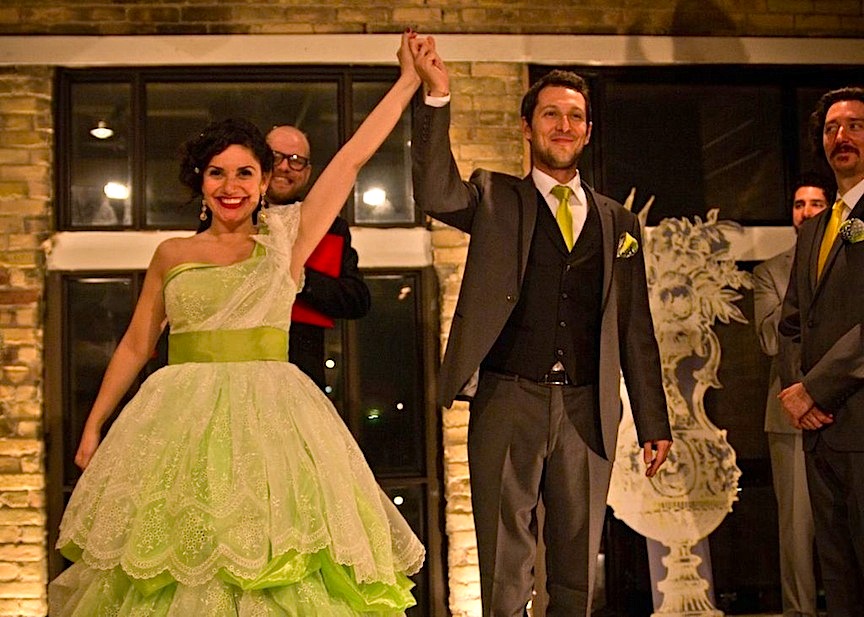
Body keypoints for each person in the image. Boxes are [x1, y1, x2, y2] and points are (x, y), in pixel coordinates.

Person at [49, 32, 425, 615]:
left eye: (245, 174)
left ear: (262, 181)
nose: (232, 187)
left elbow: (352, 157)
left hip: (271, 416)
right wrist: (95, 424)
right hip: (176, 419)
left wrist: (406, 82)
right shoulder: (172, 254)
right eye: (218, 174)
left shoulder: (286, 242)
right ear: (200, 182)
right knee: (176, 563)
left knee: (274, 560)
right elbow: (135, 345)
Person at [409, 37, 672, 616]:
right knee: (504, 569)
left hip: (586, 408)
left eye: (575, 116)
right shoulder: (495, 197)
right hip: (507, 398)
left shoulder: (618, 222)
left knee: (577, 570)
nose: (563, 124)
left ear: (588, 130)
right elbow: (432, 190)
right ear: (527, 127)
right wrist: (437, 95)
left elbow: (635, 329)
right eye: (550, 114)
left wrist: (655, 421)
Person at [779, 86, 864, 617]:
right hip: (821, 433)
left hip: (860, 420)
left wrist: (814, 388)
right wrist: (797, 394)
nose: (843, 136)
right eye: (832, 128)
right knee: (839, 578)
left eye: (855, 125)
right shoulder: (816, 230)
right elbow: (793, 322)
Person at [753, 172, 831, 617]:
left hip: (843, 408)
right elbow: (769, 341)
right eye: (800, 205)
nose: (806, 212)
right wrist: (803, 273)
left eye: (816, 204)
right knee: (797, 532)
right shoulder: (770, 272)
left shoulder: (851, 262)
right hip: (788, 417)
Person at [266, 125, 371, 390]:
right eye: (275, 157)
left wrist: (300, 278)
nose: (284, 167)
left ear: (308, 173)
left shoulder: (332, 227)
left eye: (296, 161)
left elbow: (358, 298)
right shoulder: (232, 219)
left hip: (304, 364)